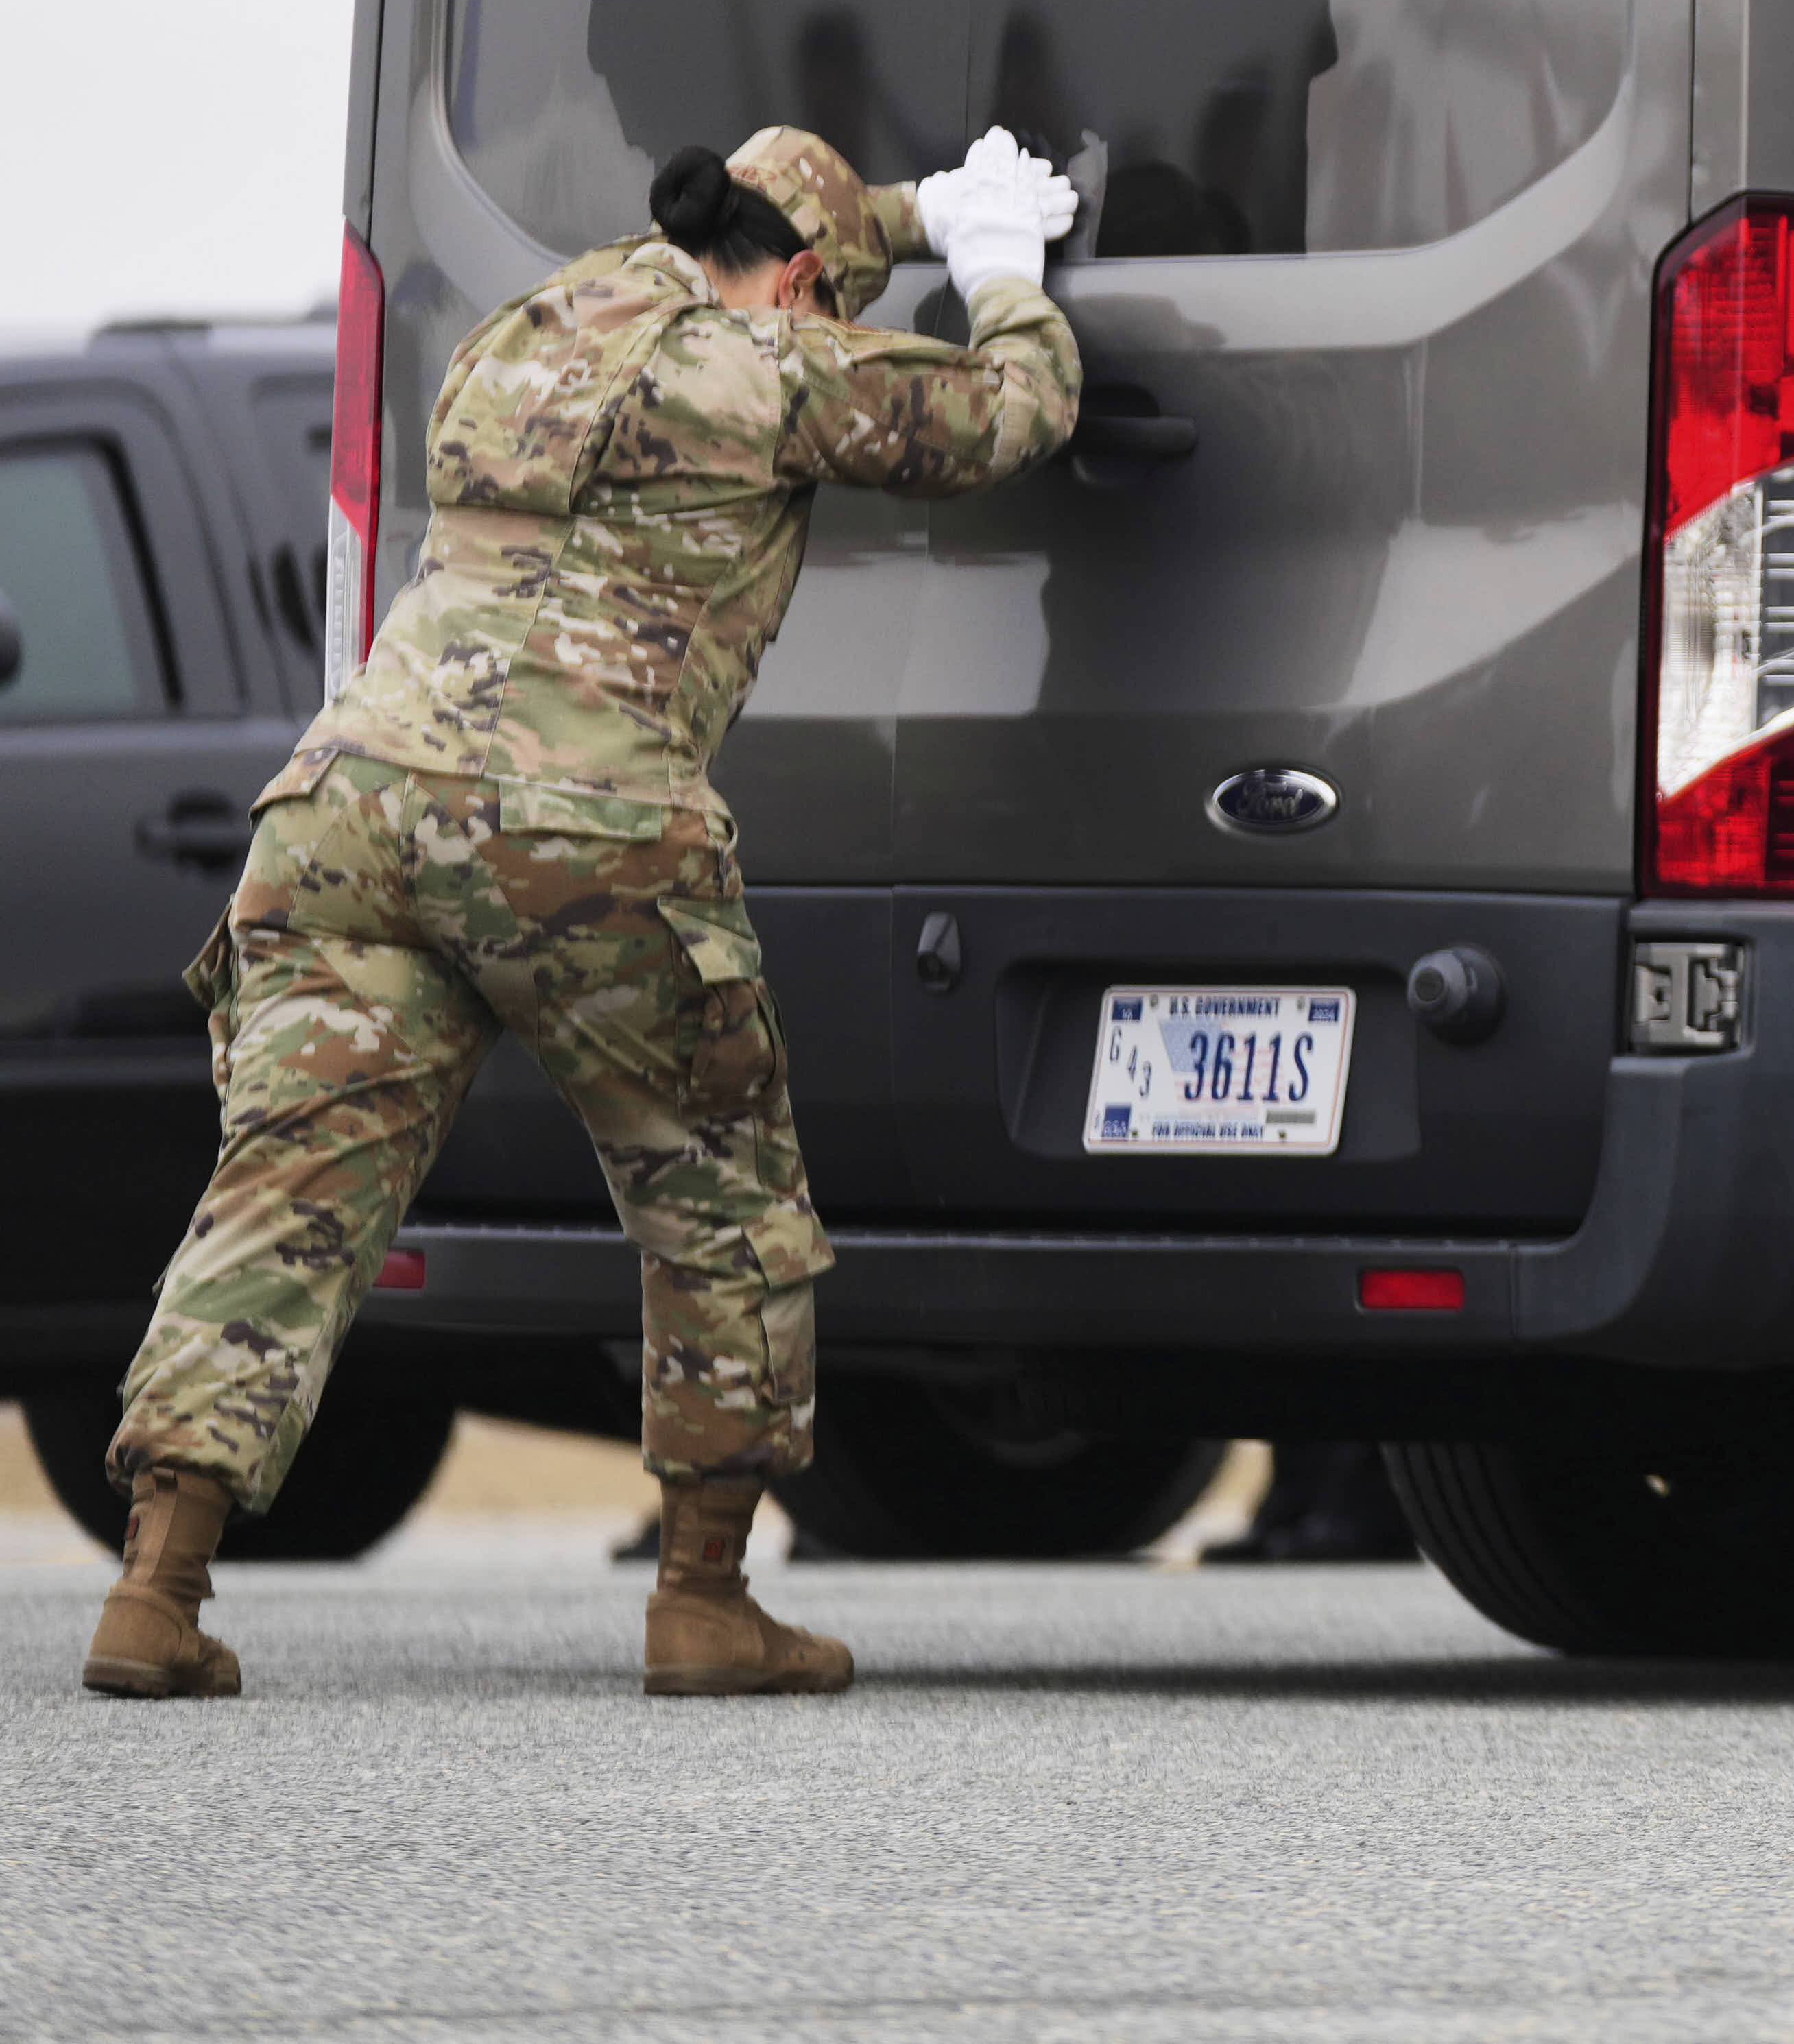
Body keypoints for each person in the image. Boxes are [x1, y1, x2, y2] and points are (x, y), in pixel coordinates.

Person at [81, 123, 1084, 1701]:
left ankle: (156, 1586)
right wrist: (1006, 278)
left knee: (290, 1189)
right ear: (807, 286)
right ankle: (704, 1603)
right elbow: (1009, 414)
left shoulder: (531, 326)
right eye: (834, 291)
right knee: (719, 1191)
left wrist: (908, 205)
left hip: (352, 807)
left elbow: (759, 246)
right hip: (582, 825)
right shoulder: (771, 369)